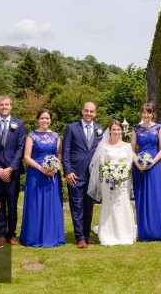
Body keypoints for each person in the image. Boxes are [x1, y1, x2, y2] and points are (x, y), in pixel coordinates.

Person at [20, 109, 65, 247]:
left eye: (47, 118)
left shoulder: (56, 136)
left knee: (51, 204)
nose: (45, 121)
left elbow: (59, 155)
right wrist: (41, 169)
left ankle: (52, 236)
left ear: (50, 120)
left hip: (52, 175)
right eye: (42, 118)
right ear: (38, 119)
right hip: (36, 173)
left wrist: (55, 168)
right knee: (36, 204)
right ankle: (34, 237)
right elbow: (26, 156)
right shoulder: (31, 135)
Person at [0, 95, 25, 246]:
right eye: (1, 105)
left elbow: (20, 147)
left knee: (12, 204)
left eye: (7, 104)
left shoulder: (19, 124)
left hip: (12, 171)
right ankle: (1, 233)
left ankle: (12, 234)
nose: (4, 107)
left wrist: (10, 168)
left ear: (11, 106)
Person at [88, 120, 136, 245]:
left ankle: (125, 233)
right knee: (109, 206)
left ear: (122, 131)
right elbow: (102, 163)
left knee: (123, 204)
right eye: (114, 129)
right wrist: (111, 173)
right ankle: (108, 233)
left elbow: (129, 162)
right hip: (108, 181)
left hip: (123, 181)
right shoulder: (103, 146)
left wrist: (121, 172)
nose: (116, 132)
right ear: (110, 131)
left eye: (118, 129)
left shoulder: (127, 146)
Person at [62, 102, 103, 248]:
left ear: (95, 113)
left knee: (89, 206)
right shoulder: (72, 128)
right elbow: (65, 152)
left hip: (92, 175)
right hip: (75, 174)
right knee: (76, 205)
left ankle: (86, 235)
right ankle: (79, 237)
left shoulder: (100, 129)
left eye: (91, 111)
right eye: (86, 111)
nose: (89, 113)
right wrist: (68, 171)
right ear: (82, 111)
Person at [131, 102, 161, 241]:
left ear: (153, 113)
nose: (146, 115)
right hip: (139, 168)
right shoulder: (136, 129)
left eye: (149, 112)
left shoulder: (159, 128)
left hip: (154, 167)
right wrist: (138, 162)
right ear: (141, 113)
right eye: (144, 112)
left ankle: (159, 230)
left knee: (156, 197)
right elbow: (131, 149)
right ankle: (145, 231)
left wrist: (151, 162)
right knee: (142, 197)